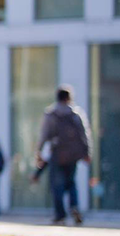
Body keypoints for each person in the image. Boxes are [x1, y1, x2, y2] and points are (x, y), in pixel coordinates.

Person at [33, 85, 91, 226]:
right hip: (73, 155)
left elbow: (44, 134)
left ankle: (60, 215)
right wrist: (87, 152)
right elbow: (85, 134)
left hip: (57, 153)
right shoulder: (76, 114)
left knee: (56, 185)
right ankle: (74, 207)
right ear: (69, 98)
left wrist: (39, 152)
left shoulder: (51, 114)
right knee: (71, 182)